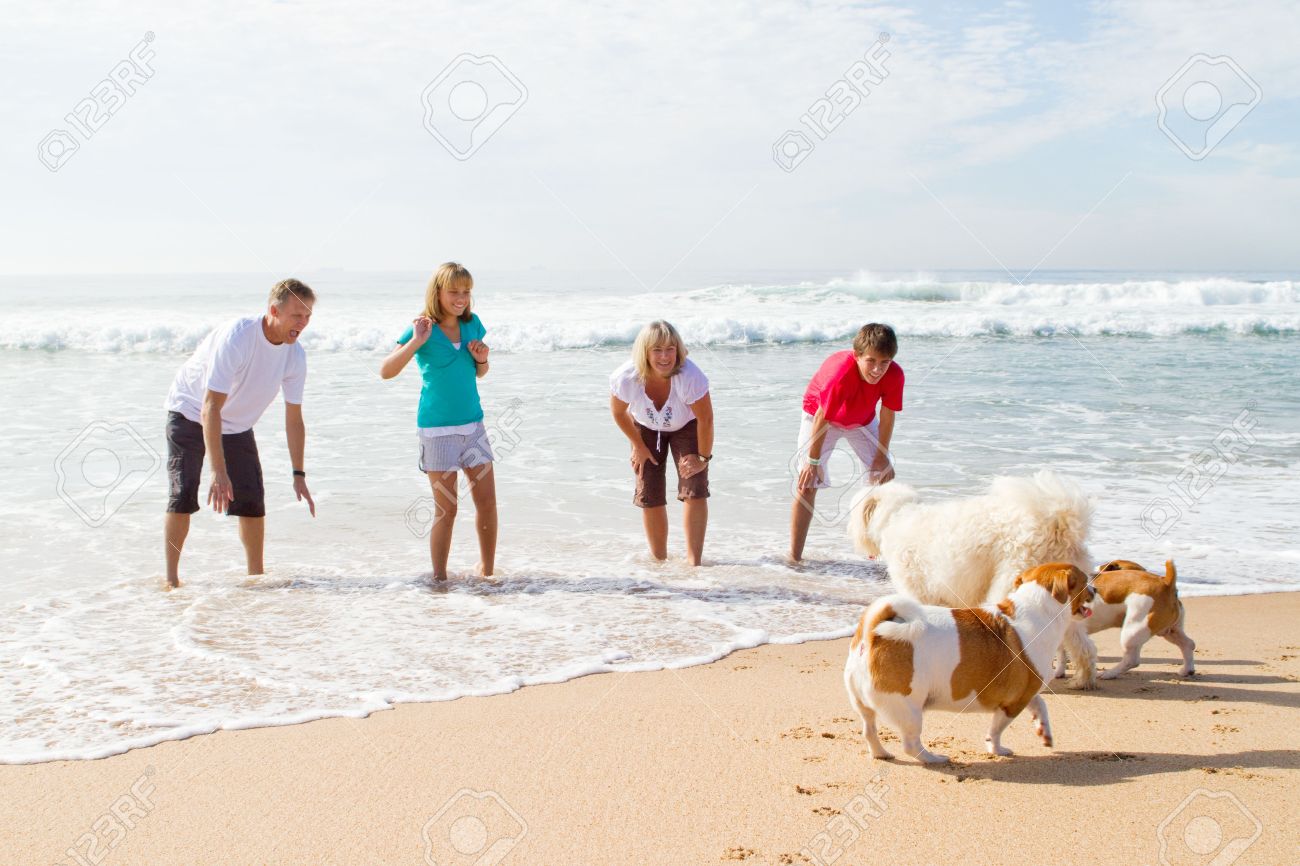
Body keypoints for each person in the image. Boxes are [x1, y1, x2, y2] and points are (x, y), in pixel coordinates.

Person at [163, 278, 317, 588]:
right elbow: (210, 407)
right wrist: (218, 471)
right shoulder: (238, 337)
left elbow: (294, 419)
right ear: (274, 311)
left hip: (236, 424)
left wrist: (298, 473)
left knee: (251, 500)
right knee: (183, 494)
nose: (303, 323)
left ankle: (256, 579)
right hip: (190, 411)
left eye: (308, 316)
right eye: (296, 315)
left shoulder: (295, 355)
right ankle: (172, 582)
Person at [381, 262, 495, 581]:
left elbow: (480, 373)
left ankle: (488, 575)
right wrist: (417, 341)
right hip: (437, 431)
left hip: (474, 426)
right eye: (454, 291)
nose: (461, 298)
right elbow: (386, 371)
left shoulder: (473, 324)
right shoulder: (422, 328)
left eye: (466, 292)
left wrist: (482, 360)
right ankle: (439, 580)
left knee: (487, 503)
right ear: (437, 292)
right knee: (447, 509)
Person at [789, 323, 903, 561]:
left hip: (861, 420)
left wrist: (881, 456)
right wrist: (812, 462)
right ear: (857, 355)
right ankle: (794, 557)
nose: (877, 369)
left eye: (885, 362)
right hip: (821, 418)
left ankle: (873, 554)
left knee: (883, 477)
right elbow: (822, 417)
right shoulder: (839, 373)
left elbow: (887, 415)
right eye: (871, 361)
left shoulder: (894, 374)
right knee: (807, 483)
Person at [609, 321, 714, 565]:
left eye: (670, 349)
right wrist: (638, 446)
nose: (665, 357)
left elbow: (706, 420)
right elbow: (618, 412)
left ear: (678, 349)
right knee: (649, 490)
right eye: (657, 350)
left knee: (694, 487)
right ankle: (659, 562)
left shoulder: (690, 376)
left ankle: (694, 564)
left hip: (687, 425)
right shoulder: (627, 377)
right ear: (644, 352)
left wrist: (703, 459)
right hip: (645, 426)